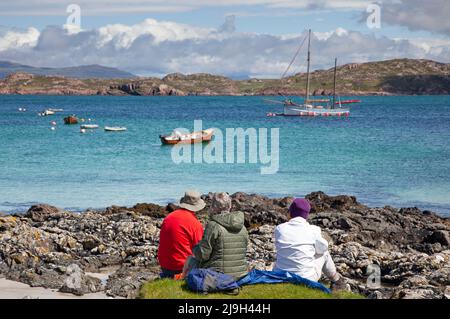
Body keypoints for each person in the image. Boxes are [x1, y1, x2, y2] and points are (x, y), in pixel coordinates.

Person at [273, 198, 347, 291]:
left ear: (290, 212)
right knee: (324, 253)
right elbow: (323, 248)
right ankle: (336, 281)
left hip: (280, 276)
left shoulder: (279, 229)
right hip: (305, 279)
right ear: (306, 215)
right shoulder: (313, 230)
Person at [187, 192, 248, 280]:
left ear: (213, 208)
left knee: (192, 259)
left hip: (219, 276)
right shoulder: (242, 226)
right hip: (241, 274)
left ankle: (184, 280)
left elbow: (203, 255)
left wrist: (195, 247)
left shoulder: (213, 225)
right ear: (229, 206)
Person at [158, 190, 205, 278]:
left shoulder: (169, 217)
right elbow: (200, 251)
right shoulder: (195, 224)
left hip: (164, 265)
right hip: (181, 268)